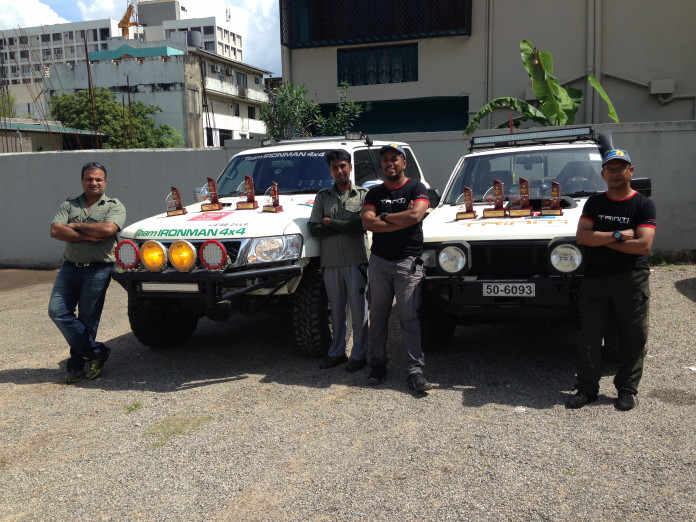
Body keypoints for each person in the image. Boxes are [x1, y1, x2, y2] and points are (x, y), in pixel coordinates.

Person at [567, 149, 656, 410]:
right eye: (611, 169)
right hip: (596, 278)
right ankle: (586, 389)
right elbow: (583, 237)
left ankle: (627, 389)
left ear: (631, 171)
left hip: (631, 278)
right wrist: (618, 235)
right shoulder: (595, 203)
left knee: (634, 335)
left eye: (621, 168)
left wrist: (602, 240)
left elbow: (643, 246)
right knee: (590, 336)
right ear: (603, 174)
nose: (615, 173)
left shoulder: (643, 204)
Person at [362, 143, 432, 392]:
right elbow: (367, 222)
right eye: (385, 160)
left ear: (404, 163)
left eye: (394, 159)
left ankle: (415, 371)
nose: (389, 163)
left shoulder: (417, 187)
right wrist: (399, 219)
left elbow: (415, 216)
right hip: (379, 262)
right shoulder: (374, 194)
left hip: (407, 262)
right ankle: (378, 364)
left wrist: (385, 218)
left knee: (409, 317)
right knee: (378, 317)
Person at [48, 162, 126, 384]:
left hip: (98, 269)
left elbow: (108, 230)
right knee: (57, 311)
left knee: (87, 320)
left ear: (105, 182)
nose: (93, 183)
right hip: (70, 267)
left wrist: (73, 226)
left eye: (98, 179)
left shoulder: (114, 206)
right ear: (82, 180)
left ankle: (75, 365)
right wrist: (89, 236)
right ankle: (97, 352)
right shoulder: (70, 204)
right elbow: (55, 230)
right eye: (89, 179)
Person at [309, 149, 369, 372]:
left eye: (343, 166)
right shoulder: (322, 197)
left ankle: (360, 355)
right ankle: (337, 353)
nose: (339, 171)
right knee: (336, 311)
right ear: (330, 171)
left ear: (350, 167)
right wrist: (344, 227)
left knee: (360, 310)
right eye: (335, 167)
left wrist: (330, 223)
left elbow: (360, 227)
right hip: (331, 261)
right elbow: (314, 228)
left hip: (357, 260)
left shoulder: (363, 195)